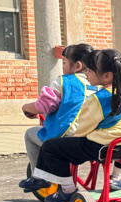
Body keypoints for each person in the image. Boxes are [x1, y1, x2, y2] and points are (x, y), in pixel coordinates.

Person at [30, 49, 121, 202]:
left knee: (50, 147)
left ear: (107, 76)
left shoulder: (98, 99)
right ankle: (116, 178)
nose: (86, 74)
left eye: (90, 71)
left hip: (101, 147)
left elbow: (82, 129)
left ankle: (68, 190)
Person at [18, 43, 98, 190]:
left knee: (30, 134)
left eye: (64, 63)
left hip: (66, 137)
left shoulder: (64, 81)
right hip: (92, 138)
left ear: (77, 66)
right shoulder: (98, 83)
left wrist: (26, 107)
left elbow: (44, 106)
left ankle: (38, 177)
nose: (63, 67)